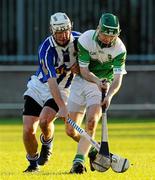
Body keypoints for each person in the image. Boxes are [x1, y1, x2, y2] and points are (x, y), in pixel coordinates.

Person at [65, 13, 127, 173]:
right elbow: (84, 71)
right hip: (81, 82)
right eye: (105, 35)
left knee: (91, 121)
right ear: (98, 29)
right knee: (71, 129)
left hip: (101, 86)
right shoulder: (86, 39)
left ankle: (78, 163)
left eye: (111, 36)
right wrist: (97, 81)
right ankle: (93, 150)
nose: (107, 39)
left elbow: (118, 79)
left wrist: (109, 96)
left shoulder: (120, 49)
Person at [23, 12, 81, 172]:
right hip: (39, 87)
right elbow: (51, 81)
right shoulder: (46, 48)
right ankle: (33, 164)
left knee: (44, 121)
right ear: (52, 31)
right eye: (58, 32)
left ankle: (47, 142)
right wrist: (62, 107)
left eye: (66, 30)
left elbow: (93, 60)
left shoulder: (81, 41)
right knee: (28, 129)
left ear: (71, 28)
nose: (63, 35)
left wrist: (82, 69)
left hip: (62, 89)